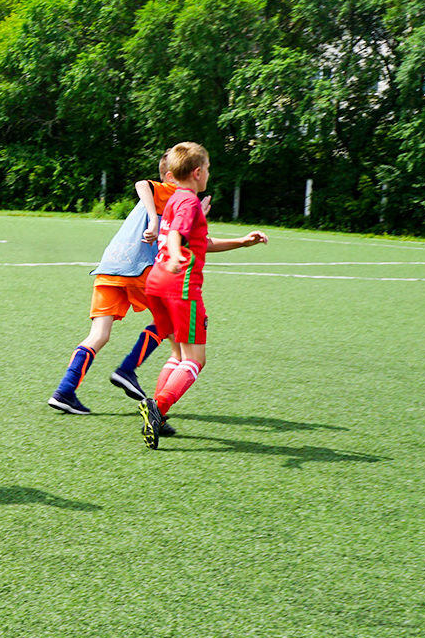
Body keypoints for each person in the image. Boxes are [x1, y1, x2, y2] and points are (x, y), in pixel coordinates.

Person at [137, 141, 269, 448]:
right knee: (196, 359)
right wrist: (172, 255)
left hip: (157, 283)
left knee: (177, 354)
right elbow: (176, 235)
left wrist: (241, 242)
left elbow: (200, 242)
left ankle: (157, 415)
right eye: (208, 168)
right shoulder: (190, 203)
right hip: (179, 284)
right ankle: (158, 407)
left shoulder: (175, 198)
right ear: (197, 172)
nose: (209, 173)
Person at [47, 158, 177, 415]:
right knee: (170, 321)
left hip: (109, 266)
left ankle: (65, 391)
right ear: (171, 176)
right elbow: (142, 184)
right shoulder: (171, 191)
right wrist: (153, 219)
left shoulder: (173, 201)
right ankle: (127, 370)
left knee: (99, 334)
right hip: (138, 268)